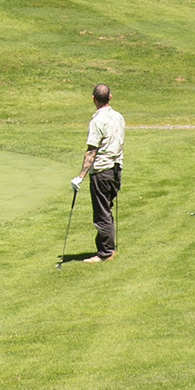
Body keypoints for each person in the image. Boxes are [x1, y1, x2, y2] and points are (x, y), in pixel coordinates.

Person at [80, 82, 125, 263]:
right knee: (106, 209)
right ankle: (108, 248)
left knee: (102, 213)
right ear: (110, 97)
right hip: (116, 170)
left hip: (102, 171)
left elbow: (91, 151)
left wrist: (80, 176)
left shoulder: (97, 121)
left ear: (93, 99)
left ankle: (105, 252)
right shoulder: (118, 117)